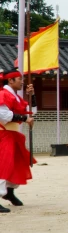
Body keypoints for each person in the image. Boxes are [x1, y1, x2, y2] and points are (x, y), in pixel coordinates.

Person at [0, 70, 36, 213]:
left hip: (13, 135)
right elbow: (2, 115)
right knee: (4, 165)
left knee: (17, 163)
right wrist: (24, 119)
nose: (22, 82)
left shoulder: (15, 97)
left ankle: (9, 191)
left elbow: (30, 111)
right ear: (10, 81)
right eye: (19, 79)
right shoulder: (3, 94)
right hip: (4, 134)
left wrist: (31, 96)